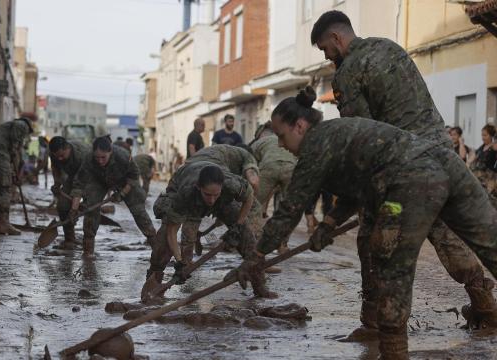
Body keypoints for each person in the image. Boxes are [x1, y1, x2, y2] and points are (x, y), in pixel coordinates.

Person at [232, 89, 497, 360]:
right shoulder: (337, 134)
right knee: (491, 245)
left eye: (281, 135)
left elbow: (289, 211)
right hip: (446, 164)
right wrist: (329, 223)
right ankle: (489, 312)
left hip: (411, 183)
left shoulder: (315, 146)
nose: (280, 144)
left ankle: (393, 352)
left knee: (392, 267)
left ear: (299, 126)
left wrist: (256, 256)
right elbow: (357, 187)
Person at [311, 10, 497, 337]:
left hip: (402, 167)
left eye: (325, 48)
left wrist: (335, 215)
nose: (326, 56)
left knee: (372, 239)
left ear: (336, 38)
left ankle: (373, 325)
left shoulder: (348, 73)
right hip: (441, 154)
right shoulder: (391, 47)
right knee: (445, 233)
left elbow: (362, 142)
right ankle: (485, 305)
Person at [141, 162, 275, 303]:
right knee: (163, 244)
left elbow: (249, 197)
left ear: (222, 188)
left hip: (224, 201)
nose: (211, 200)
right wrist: (180, 262)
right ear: (199, 187)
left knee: (247, 237)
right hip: (185, 191)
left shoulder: (232, 184)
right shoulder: (184, 194)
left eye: (215, 195)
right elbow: (171, 232)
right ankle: (153, 284)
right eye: (207, 194)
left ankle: (260, 286)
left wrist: (238, 226)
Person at [70, 136, 156, 257]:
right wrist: (74, 209)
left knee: (139, 211)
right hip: (99, 180)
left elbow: (134, 176)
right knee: (91, 208)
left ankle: (157, 249)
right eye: (97, 157)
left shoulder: (123, 156)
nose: (100, 161)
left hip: (125, 180)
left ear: (110, 152)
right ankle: (88, 252)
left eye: (103, 157)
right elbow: (79, 184)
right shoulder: (89, 159)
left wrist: (122, 193)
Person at [48, 136, 91, 248]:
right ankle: (70, 239)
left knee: (90, 208)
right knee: (62, 205)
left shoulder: (82, 155)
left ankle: (89, 242)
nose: (60, 159)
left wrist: (74, 209)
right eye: (58, 156)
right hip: (73, 175)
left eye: (62, 155)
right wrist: (57, 184)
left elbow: (79, 185)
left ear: (68, 148)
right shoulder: (54, 154)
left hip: (92, 176)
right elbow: (55, 168)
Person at [470, 124, 497, 198]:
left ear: (492, 136)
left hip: (489, 183)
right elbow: (471, 160)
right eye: (482, 135)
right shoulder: (481, 147)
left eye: (485, 135)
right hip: (478, 181)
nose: (482, 138)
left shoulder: (494, 148)